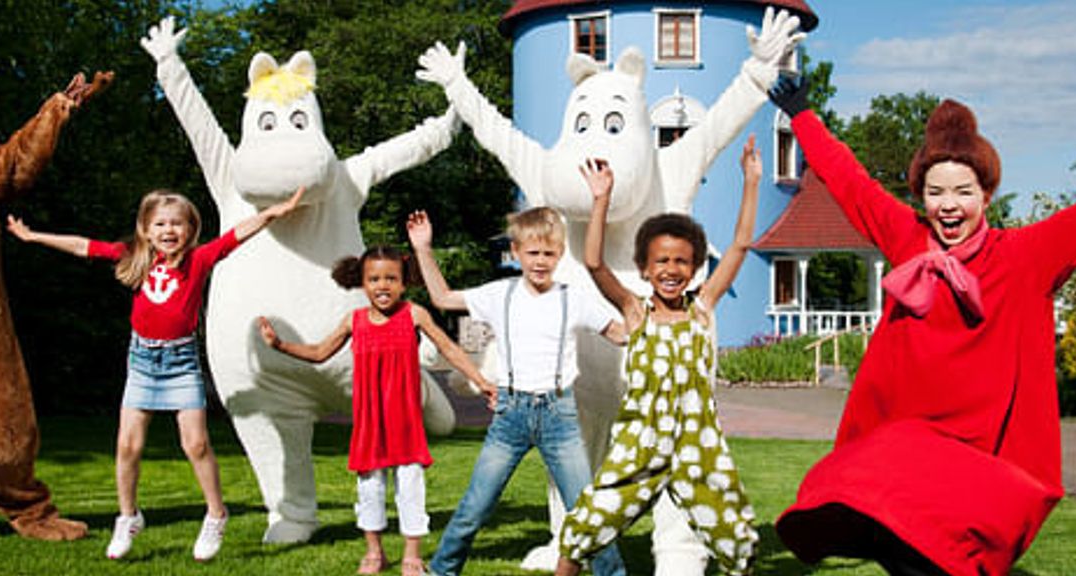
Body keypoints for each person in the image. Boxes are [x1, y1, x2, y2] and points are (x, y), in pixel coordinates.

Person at [765, 75, 1076, 576]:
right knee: (888, 530)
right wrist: (803, 115)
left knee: (945, 557)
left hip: (977, 461)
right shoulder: (907, 240)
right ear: (921, 196)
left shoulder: (1027, 257)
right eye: (935, 192)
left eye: (962, 191)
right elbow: (850, 182)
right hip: (906, 451)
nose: (948, 205)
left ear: (986, 195)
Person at [5, 185, 305, 561]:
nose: (169, 230)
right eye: (160, 223)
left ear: (190, 229)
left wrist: (274, 212)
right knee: (127, 446)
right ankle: (128, 517)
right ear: (145, 229)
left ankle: (216, 514)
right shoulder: (134, 258)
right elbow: (84, 246)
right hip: (142, 363)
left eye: (177, 223)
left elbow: (237, 234)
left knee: (196, 444)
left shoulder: (198, 260)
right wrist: (33, 236)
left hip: (181, 363)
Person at [556, 135, 766, 576]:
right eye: (662, 262)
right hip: (640, 442)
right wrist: (601, 199)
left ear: (695, 268)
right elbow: (594, 263)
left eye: (682, 262)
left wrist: (751, 182)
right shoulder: (635, 312)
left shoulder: (703, 308)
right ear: (645, 268)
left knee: (735, 536)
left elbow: (740, 246)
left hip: (698, 444)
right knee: (588, 524)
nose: (672, 270)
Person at [406, 208, 628, 576]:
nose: (540, 262)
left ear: (560, 254)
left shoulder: (574, 299)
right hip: (511, 414)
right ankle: (443, 570)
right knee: (475, 505)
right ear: (516, 251)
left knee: (586, 510)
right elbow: (443, 298)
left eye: (549, 254)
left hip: (559, 416)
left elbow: (620, 333)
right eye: (532, 253)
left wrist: (660, 318)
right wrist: (423, 250)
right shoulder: (500, 294)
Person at [258, 246, 498, 576]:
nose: (382, 285)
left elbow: (449, 348)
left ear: (404, 282)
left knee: (411, 490)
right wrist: (279, 345)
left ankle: (412, 556)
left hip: (406, 423)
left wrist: (481, 381)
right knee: (369, 491)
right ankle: (375, 553)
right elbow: (318, 353)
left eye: (391, 278)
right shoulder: (353, 321)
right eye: (374, 279)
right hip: (369, 426)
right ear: (362, 282)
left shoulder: (414, 314)